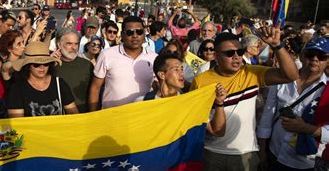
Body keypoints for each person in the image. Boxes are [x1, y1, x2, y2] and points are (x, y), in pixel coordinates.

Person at [190, 28, 299, 171]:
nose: (236, 56)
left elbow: (291, 75)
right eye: (229, 53)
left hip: (245, 154)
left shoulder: (252, 73)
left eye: (240, 52)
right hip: (210, 153)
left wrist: (277, 45)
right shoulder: (200, 81)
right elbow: (195, 117)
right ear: (216, 56)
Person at [257, 37, 329, 170]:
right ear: (301, 56)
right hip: (274, 153)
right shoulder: (282, 78)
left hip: (304, 163)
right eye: (310, 54)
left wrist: (306, 128)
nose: (315, 59)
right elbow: (267, 116)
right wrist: (262, 151)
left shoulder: (327, 90)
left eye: (321, 56)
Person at [138, 53, 228, 137]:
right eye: (176, 69)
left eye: (182, 69)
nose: (181, 73)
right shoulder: (142, 102)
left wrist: (219, 103)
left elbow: (217, 132)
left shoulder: (190, 103)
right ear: (162, 75)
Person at [88, 16, 157, 111]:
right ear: (122, 35)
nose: (135, 36)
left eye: (139, 32)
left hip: (142, 117)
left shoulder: (154, 58)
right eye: (130, 32)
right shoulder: (107, 54)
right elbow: (95, 88)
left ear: (144, 34)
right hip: (111, 117)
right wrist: (93, 117)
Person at [6, 41, 79, 117]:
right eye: (36, 64)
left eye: (46, 63)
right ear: (28, 65)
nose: (42, 67)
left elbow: (73, 114)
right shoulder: (17, 89)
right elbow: (17, 122)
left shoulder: (59, 83)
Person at [54, 28, 94, 113]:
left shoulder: (87, 65)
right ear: (59, 45)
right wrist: (50, 65)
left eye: (76, 44)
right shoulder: (50, 66)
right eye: (69, 44)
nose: (74, 47)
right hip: (58, 117)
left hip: (83, 116)